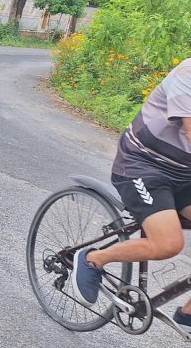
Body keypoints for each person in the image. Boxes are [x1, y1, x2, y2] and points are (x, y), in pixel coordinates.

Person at [71, 58, 191, 330]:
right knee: (168, 243)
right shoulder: (188, 73)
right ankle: (93, 259)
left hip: (185, 174)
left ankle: (188, 315)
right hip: (143, 166)